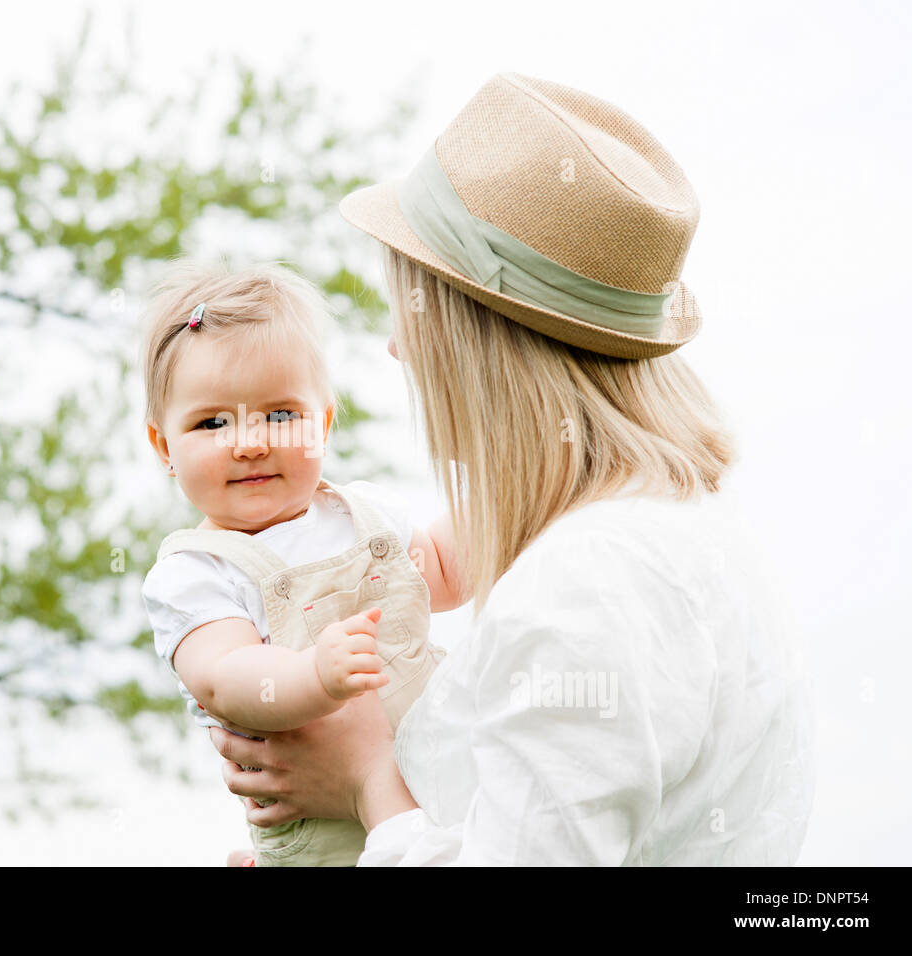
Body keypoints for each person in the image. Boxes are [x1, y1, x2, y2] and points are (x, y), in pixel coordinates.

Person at [205, 72, 816, 865]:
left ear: (477, 338)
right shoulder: (686, 535)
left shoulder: (588, 584)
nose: (397, 344)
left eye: (415, 306)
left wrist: (366, 783)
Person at [138, 261, 471, 866]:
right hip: (324, 838)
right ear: (165, 445)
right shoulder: (198, 573)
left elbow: (446, 568)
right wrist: (314, 677)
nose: (250, 441)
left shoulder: (365, 514)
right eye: (212, 422)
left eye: (281, 414)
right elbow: (226, 675)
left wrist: (524, 498)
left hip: (446, 792)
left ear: (323, 422)